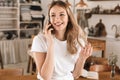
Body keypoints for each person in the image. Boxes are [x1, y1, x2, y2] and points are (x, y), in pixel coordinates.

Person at [31, 0, 93, 80]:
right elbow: (46, 77)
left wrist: (82, 58)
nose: (57, 19)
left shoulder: (78, 41)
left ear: (69, 18)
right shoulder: (39, 40)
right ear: (49, 20)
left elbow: (75, 75)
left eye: (61, 14)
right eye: (53, 15)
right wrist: (50, 43)